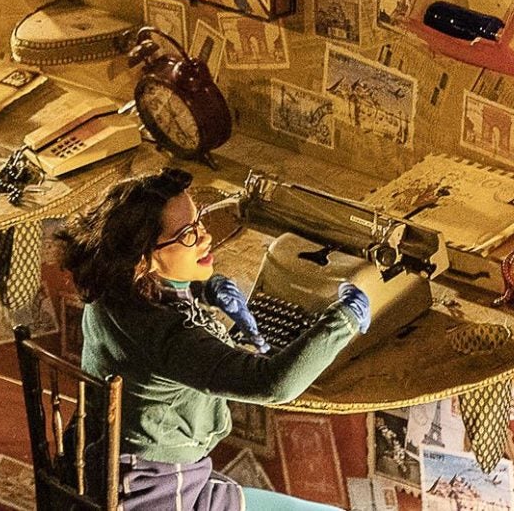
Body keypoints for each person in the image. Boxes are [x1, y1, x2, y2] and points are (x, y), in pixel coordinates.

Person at [60, 169, 368, 511]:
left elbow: (158, 292)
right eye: (188, 234)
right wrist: (344, 318)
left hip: (101, 462)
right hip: (154, 492)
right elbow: (274, 383)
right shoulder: (169, 336)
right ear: (143, 259)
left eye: (199, 221)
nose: (205, 238)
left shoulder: (111, 286)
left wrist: (201, 288)